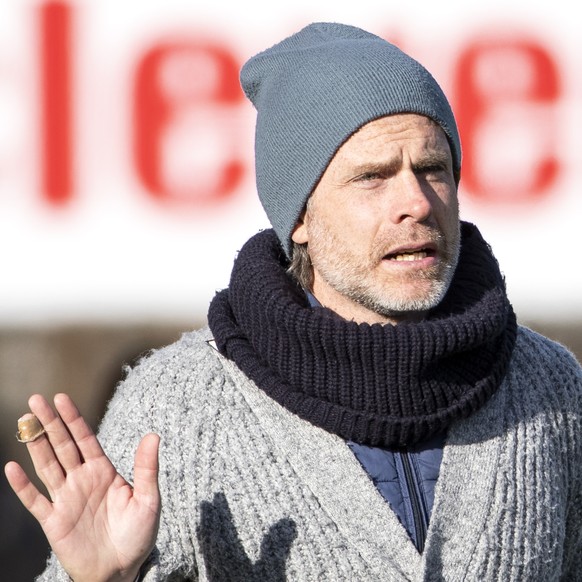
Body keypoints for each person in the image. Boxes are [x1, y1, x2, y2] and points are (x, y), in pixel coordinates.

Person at [5, 22, 582, 582]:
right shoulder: (179, 409)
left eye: (433, 169)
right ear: (300, 217)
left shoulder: (550, 388)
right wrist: (103, 580)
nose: (417, 202)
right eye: (373, 177)